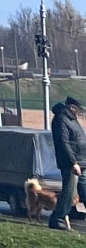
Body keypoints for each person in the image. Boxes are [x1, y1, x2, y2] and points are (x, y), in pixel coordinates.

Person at [48, 97, 86, 231]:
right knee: (69, 192)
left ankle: (65, 214)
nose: (81, 112)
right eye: (79, 109)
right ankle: (57, 218)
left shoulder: (72, 119)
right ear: (72, 108)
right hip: (71, 163)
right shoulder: (61, 119)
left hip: (81, 162)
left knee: (84, 189)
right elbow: (64, 143)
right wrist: (73, 162)